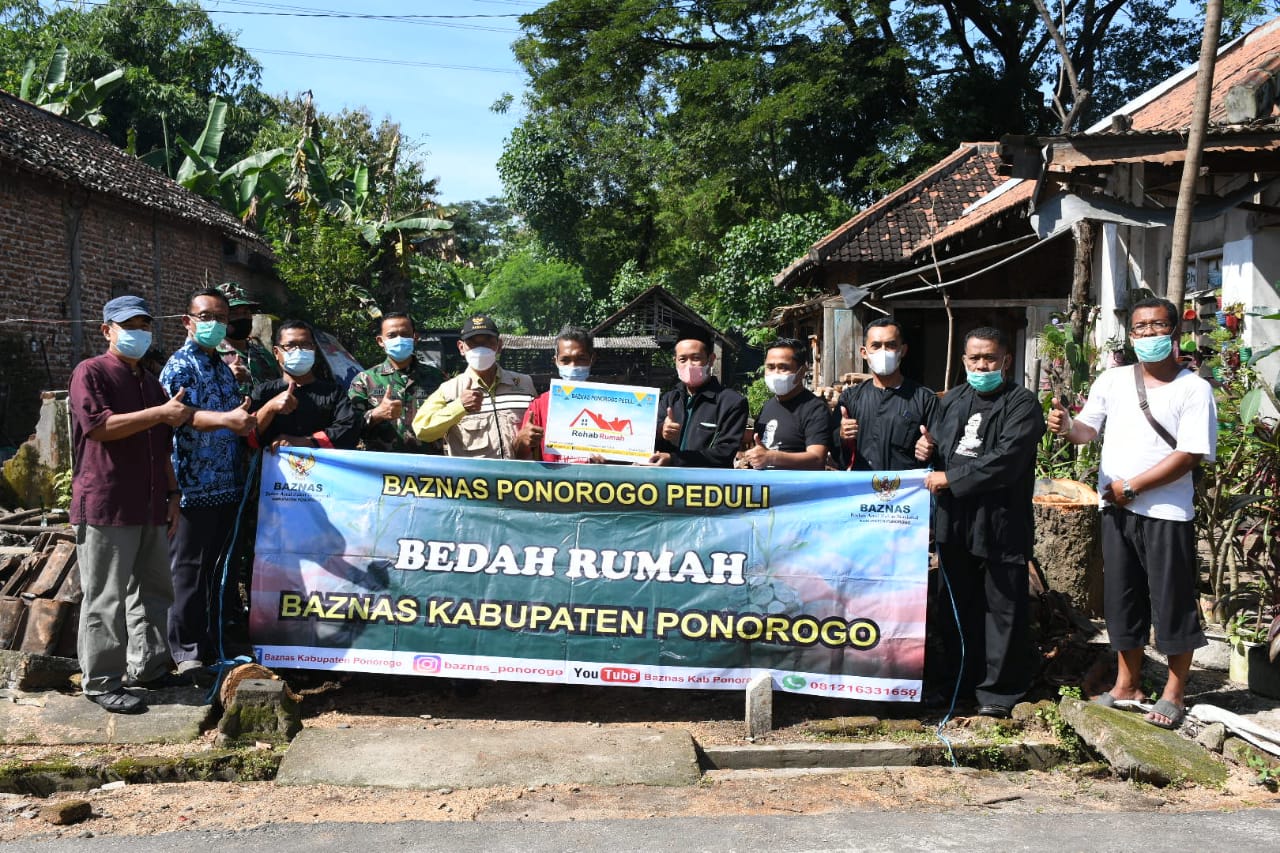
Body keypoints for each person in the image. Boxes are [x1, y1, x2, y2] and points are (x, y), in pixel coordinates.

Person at [1049, 297, 1216, 729]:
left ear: (1175, 332)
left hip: (1166, 512)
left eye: (1157, 326)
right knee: (1123, 599)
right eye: (1139, 328)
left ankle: (1174, 693)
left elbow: (1190, 454)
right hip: (1116, 509)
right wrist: (1069, 427)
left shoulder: (1193, 388)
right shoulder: (1114, 380)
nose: (1147, 335)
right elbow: (1088, 430)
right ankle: (1127, 685)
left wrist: (1133, 486)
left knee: (1172, 602)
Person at [68, 296, 194, 713]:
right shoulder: (92, 372)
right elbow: (99, 427)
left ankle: (150, 666)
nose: (137, 332)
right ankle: (102, 681)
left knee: (155, 591)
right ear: (107, 330)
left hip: (151, 504)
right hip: (107, 503)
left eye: (143, 324)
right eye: (128, 325)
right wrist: (160, 412)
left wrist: (173, 496)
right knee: (106, 597)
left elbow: (162, 448)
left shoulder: (150, 380)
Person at [920, 327, 1045, 718]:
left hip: (1000, 518)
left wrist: (952, 479)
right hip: (954, 520)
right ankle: (958, 681)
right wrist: (926, 449)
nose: (981, 365)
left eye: (988, 358)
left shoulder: (1022, 404)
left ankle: (999, 691)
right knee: (956, 601)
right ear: (964, 361)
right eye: (974, 359)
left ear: (1005, 361)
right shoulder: (953, 399)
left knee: (1003, 606)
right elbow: (940, 446)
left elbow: (1007, 459)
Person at [158, 287, 258, 678]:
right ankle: (185, 652)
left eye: (221, 318)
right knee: (188, 571)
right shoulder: (180, 366)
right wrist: (227, 420)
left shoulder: (221, 366)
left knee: (220, 570)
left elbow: (235, 416)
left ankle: (215, 642)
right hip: (191, 486)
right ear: (187, 321)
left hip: (227, 484)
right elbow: (176, 414)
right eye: (206, 317)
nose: (214, 325)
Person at [412, 314, 535, 458]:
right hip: (474, 479)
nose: (481, 349)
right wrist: (459, 406)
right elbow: (421, 430)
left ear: (499, 345)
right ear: (461, 348)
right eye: (473, 343)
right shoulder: (449, 390)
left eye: (488, 341)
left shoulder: (524, 383)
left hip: (519, 478)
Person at [833, 318, 938, 470]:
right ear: (864, 352)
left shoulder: (925, 399)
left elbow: (939, 447)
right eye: (876, 346)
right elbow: (835, 450)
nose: (883, 352)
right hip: (862, 488)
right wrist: (842, 437)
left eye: (891, 345)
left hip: (904, 490)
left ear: (903, 350)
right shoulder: (850, 398)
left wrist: (929, 450)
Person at [249, 320, 362, 452]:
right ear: (276, 352)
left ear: (314, 349)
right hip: (273, 470)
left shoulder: (334, 393)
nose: (299, 350)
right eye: (290, 345)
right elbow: (246, 435)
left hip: (321, 470)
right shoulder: (263, 392)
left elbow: (349, 430)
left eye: (305, 345)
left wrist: (306, 442)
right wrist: (269, 408)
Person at [646, 328, 748, 468]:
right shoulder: (668, 399)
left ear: (711, 360)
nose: (689, 365)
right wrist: (661, 430)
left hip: (707, 485)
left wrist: (674, 460)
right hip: (666, 484)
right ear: (675, 361)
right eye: (683, 359)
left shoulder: (732, 403)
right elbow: (646, 440)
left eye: (696, 358)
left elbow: (725, 453)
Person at [348, 312, 445, 453]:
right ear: (381, 341)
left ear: (415, 338)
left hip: (429, 465)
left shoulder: (437, 378)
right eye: (392, 335)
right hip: (383, 467)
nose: (399, 339)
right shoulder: (364, 380)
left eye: (405, 334)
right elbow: (349, 426)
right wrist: (376, 414)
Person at [513, 327, 605, 463]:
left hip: (600, 482)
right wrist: (522, 439)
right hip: (554, 483)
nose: (573, 366)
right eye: (565, 360)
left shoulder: (611, 403)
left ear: (592, 359)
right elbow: (519, 455)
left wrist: (610, 459)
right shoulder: (540, 404)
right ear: (555, 361)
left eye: (581, 359)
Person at [740, 339, 830, 470]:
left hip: (796, 488)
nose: (775, 373)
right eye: (770, 367)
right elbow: (761, 449)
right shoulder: (768, 407)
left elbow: (817, 459)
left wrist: (772, 457)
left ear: (802, 371)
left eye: (783, 367)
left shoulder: (815, 409)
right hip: (766, 488)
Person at [216, 282, 279, 396]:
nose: (242, 318)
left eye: (246, 312)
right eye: (234, 314)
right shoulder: (210, 356)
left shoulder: (263, 354)